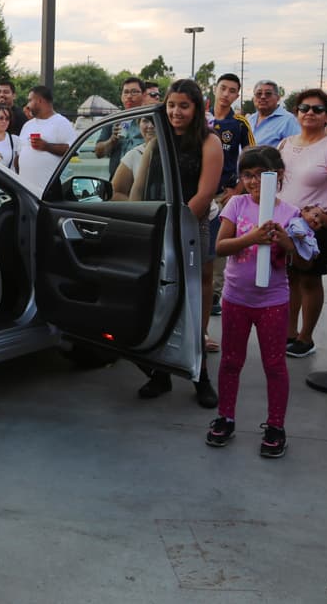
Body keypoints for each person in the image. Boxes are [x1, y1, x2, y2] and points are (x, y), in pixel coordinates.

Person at [208, 146, 314, 458]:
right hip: (236, 298)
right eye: (247, 175)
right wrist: (251, 238)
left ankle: (276, 425)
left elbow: (304, 260)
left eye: (261, 175)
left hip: (273, 302)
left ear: (278, 175)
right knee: (231, 361)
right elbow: (221, 246)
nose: (254, 182)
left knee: (275, 365)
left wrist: (287, 242)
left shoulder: (290, 213)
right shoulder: (236, 204)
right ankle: (226, 417)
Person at [131, 79, 223, 408]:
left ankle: (200, 376)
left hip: (192, 228)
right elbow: (138, 190)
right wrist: (139, 226)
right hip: (160, 229)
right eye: (171, 105)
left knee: (192, 303)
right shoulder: (158, 140)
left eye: (184, 105)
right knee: (162, 300)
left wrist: (176, 229)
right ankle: (160, 374)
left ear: (197, 108)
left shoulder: (209, 141)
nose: (176, 112)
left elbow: (205, 194)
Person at [277, 88, 327, 358]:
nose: (310, 113)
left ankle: (305, 337)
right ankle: (289, 332)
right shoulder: (285, 144)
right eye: (304, 108)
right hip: (285, 223)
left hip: (313, 227)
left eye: (318, 109)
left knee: (309, 280)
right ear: (296, 113)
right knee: (289, 278)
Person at [208, 73, 256, 321]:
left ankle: (214, 295)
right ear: (215, 89)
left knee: (218, 246)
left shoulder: (239, 123)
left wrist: (237, 190)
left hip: (222, 194)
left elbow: (251, 159)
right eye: (223, 88)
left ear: (237, 95)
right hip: (196, 192)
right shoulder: (201, 117)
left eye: (232, 90)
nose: (226, 94)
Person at [14, 86, 75, 194]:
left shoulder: (61, 123)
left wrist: (47, 146)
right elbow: (19, 154)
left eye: (30, 100)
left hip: (48, 192)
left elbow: (72, 150)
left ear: (39, 101)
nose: (27, 105)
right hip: (26, 191)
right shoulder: (28, 125)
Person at [93, 77, 146, 177]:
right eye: (126, 92)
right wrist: (112, 140)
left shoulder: (148, 120)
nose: (129, 96)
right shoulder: (113, 120)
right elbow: (98, 153)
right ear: (121, 96)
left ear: (143, 95)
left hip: (142, 178)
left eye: (134, 92)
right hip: (116, 179)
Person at [245, 79, 300, 148]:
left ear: (278, 98)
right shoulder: (249, 120)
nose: (263, 97)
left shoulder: (289, 121)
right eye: (259, 94)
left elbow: (296, 149)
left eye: (268, 94)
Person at [110, 116, 156, 198]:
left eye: (154, 120)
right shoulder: (134, 154)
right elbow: (115, 193)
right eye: (145, 121)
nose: (150, 126)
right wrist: (137, 203)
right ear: (139, 124)